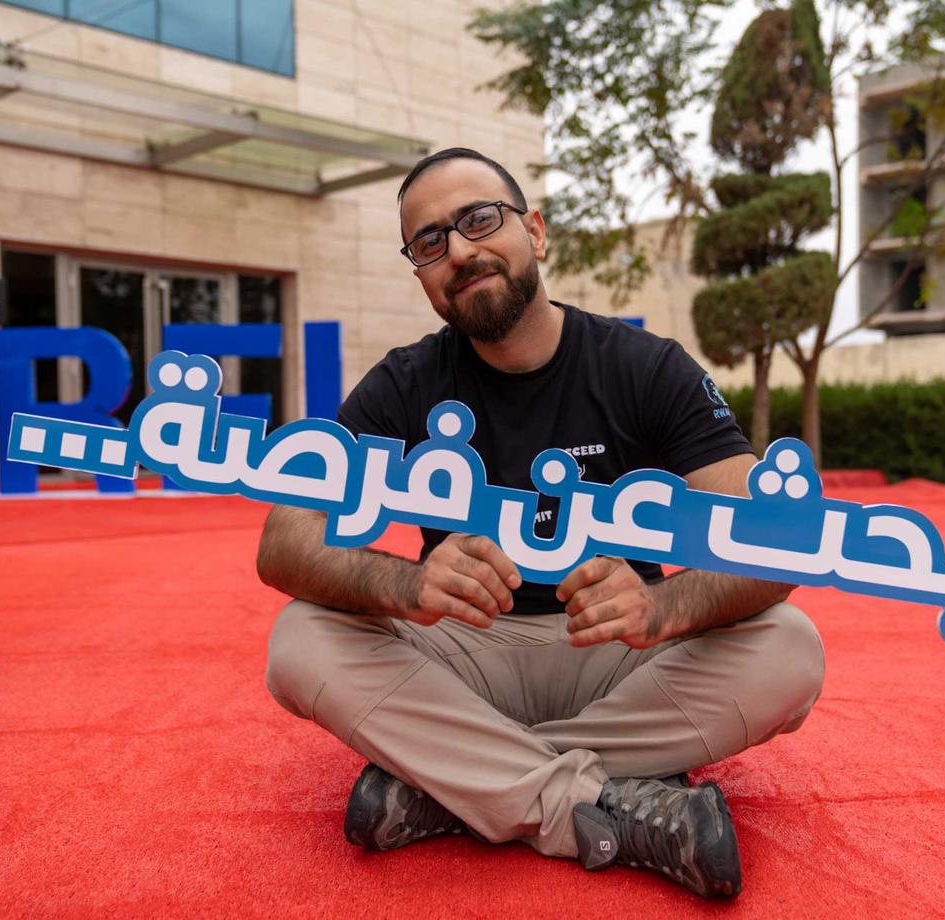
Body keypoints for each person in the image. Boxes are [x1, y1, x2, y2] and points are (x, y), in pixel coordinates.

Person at [258, 147, 826, 899]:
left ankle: (455, 785)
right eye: (430, 241)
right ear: (421, 273)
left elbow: (777, 542)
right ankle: (603, 805)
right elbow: (283, 542)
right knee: (299, 640)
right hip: (465, 654)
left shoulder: (644, 367)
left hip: (619, 656)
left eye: (478, 219)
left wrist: (662, 607)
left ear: (534, 230)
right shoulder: (404, 382)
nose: (459, 251)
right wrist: (409, 584)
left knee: (790, 649)